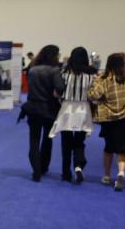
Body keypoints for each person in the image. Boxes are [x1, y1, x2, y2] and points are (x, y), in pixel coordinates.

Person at [88, 53, 125, 191]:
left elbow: (94, 96)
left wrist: (92, 85)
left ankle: (107, 176)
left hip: (109, 119)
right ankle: (121, 173)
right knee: (122, 149)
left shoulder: (104, 79)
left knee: (108, 148)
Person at [50, 47, 95, 184]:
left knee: (66, 143)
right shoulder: (91, 76)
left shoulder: (64, 74)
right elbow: (93, 96)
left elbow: (56, 93)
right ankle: (78, 166)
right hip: (83, 109)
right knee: (79, 142)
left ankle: (65, 173)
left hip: (66, 109)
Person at [23, 45, 65, 182]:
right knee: (48, 140)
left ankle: (36, 171)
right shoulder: (54, 70)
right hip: (49, 109)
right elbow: (60, 88)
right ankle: (44, 166)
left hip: (33, 107)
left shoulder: (32, 70)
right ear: (54, 55)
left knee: (34, 140)